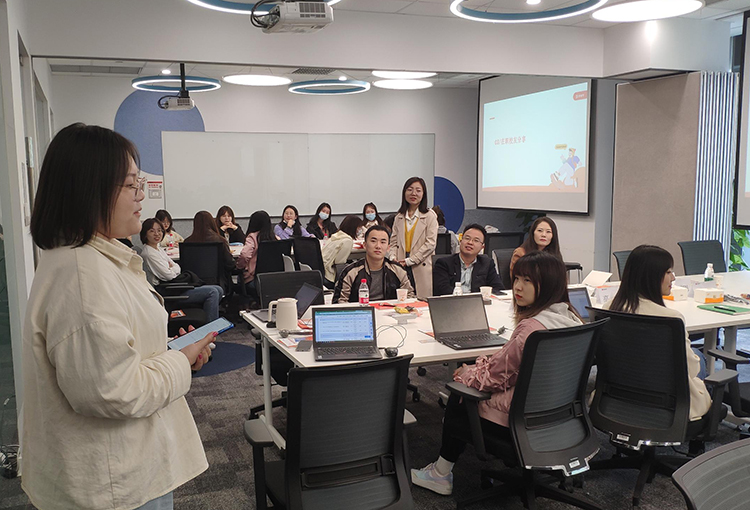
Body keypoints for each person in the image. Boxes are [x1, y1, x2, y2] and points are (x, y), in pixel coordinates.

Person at [23, 123, 213, 510]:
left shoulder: (93, 260)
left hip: (126, 471)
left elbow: (114, 352)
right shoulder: (82, 275)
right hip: (116, 486)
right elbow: (115, 391)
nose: (142, 195)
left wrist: (171, 349)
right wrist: (180, 359)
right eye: (131, 185)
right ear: (90, 190)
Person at [411, 251, 582, 495]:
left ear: (548, 284)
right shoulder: (571, 318)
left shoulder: (530, 329)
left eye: (527, 281)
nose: (517, 287)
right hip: (560, 416)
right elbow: (511, 370)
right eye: (517, 278)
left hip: (521, 421)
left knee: (460, 394)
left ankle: (440, 474)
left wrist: (466, 372)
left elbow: (491, 378)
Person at [605, 244, 711, 421]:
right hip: (667, 403)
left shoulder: (608, 308)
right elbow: (691, 369)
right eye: (668, 272)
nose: (673, 277)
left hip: (619, 397)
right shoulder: (671, 318)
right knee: (699, 359)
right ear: (651, 277)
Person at [140, 218, 225, 322]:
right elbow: (168, 275)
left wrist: (172, 268)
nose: (157, 234)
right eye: (152, 231)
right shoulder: (149, 253)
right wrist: (171, 268)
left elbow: (177, 267)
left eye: (159, 230)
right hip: (168, 291)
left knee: (219, 289)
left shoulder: (157, 248)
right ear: (145, 234)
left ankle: (205, 320)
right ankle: (210, 327)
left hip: (174, 286)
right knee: (213, 292)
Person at [334, 225, 415, 303]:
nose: (378, 246)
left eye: (383, 242)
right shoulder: (351, 272)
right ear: (365, 245)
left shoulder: (398, 270)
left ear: (388, 248)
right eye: (373, 241)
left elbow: (410, 297)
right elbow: (339, 302)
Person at [389, 177, 439, 298]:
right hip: (400, 265)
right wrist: (393, 257)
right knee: (402, 300)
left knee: (422, 301)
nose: (414, 193)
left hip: (420, 264)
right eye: (410, 189)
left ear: (423, 194)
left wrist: (410, 260)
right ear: (404, 192)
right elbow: (393, 242)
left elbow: (430, 244)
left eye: (418, 190)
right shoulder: (399, 217)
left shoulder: (430, 216)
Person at [432, 224, 504, 296]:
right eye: (467, 238)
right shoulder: (444, 263)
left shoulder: (487, 263)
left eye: (476, 240)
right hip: (452, 301)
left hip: (478, 301)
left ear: (482, 247)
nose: (470, 242)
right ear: (460, 241)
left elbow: (498, 288)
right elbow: (442, 290)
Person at [184, 210, 236, 295]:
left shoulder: (187, 242)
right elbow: (229, 263)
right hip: (217, 281)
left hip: (193, 281)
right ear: (212, 222)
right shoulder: (220, 240)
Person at [238, 210, 276, 295]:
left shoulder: (252, 237)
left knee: (238, 277)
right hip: (272, 279)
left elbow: (244, 255)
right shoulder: (275, 238)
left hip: (254, 279)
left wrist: (239, 266)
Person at [321, 215, 360, 288]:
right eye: (358, 228)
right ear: (354, 227)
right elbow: (339, 262)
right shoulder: (347, 241)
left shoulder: (335, 236)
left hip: (322, 271)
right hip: (330, 276)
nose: (359, 230)